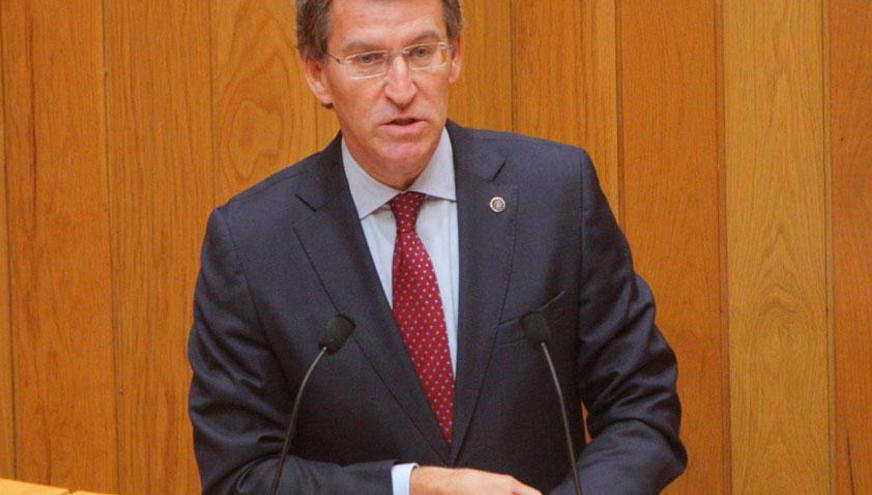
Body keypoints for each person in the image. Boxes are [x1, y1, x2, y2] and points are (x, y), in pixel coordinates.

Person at [188, 0, 687, 493]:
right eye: (368, 60)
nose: (402, 89)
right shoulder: (253, 245)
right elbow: (242, 476)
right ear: (317, 73)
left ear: (456, 56)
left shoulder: (554, 194)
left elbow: (642, 409)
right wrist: (410, 488)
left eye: (422, 51)